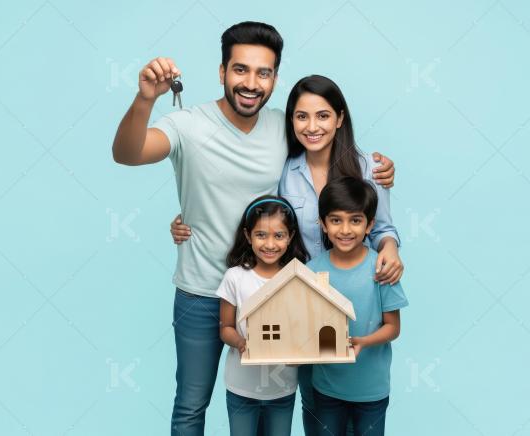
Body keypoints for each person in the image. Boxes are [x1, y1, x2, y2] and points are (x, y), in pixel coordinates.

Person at [112, 21, 395, 435]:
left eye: (263, 73)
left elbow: (331, 163)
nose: (251, 82)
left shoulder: (284, 128)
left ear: (275, 78)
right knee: (192, 404)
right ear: (222, 71)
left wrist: (378, 170)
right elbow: (127, 154)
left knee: (281, 402)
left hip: (271, 296)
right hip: (200, 290)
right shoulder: (188, 124)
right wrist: (144, 99)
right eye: (240, 70)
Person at [171, 74, 404, 435]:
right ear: (290, 121)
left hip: (357, 297)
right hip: (300, 303)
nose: (312, 127)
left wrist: (390, 249)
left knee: (352, 392)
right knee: (315, 402)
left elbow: (383, 228)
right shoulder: (284, 167)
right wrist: (192, 220)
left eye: (323, 116)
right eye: (301, 117)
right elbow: (256, 213)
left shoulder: (370, 168)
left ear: (340, 118)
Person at [307, 177, 408, 436]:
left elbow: (393, 327)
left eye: (355, 220)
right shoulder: (311, 271)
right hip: (327, 388)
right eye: (336, 220)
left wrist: (363, 341)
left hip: (371, 390)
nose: (345, 229)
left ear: (369, 225)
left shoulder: (382, 269)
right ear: (323, 224)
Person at [216, 195, 308, 435]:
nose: (270, 244)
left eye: (278, 235)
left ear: (290, 237)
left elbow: (303, 328)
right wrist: (241, 343)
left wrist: (301, 351)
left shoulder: (297, 277)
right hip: (241, 387)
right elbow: (225, 327)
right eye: (261, 235)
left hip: (283, 388)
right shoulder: (235, 277)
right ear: (248, 236)